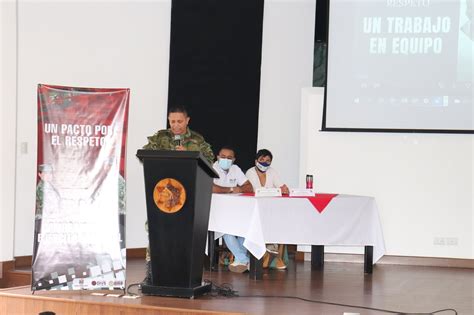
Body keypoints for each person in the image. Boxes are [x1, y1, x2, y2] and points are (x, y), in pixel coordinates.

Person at [141, 106, 215, 284]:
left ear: (187, 120)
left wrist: (189, 155)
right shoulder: (160, 137)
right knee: (155, 228)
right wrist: (166, 154)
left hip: (188, 196)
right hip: (162, 196)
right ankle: (153, 271)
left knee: (186, 231)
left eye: (179, 121)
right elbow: (144, 153)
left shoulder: (197, 139)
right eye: (172, 121)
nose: (176, 125)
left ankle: (186, 272)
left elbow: (209, 159)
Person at [245, 149, 289, 270]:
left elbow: (283, 188)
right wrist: (276, 191)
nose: (265, 163)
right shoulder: (250, 172)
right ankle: (267, 252)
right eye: (262, 160)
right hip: (253, 209)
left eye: (268, 161)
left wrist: (283, 189)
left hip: (270, 208)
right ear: (256, 161)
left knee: (281, 220)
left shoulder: (272, 171)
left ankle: (273, 252)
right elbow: (257, 191)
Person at [212, 146, 253, 273]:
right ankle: (244, 259)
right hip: (217, 210)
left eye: (229, 158)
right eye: (223, 157)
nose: (226, 159)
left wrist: (239, 189)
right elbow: (211, 187)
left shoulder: (235, 169)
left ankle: (240, 260)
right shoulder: (211, 168)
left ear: (233, 159)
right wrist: (230, 189)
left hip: (235, 209)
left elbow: (249, 187)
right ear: (218, 157)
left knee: (246, 228)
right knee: (226, 230)